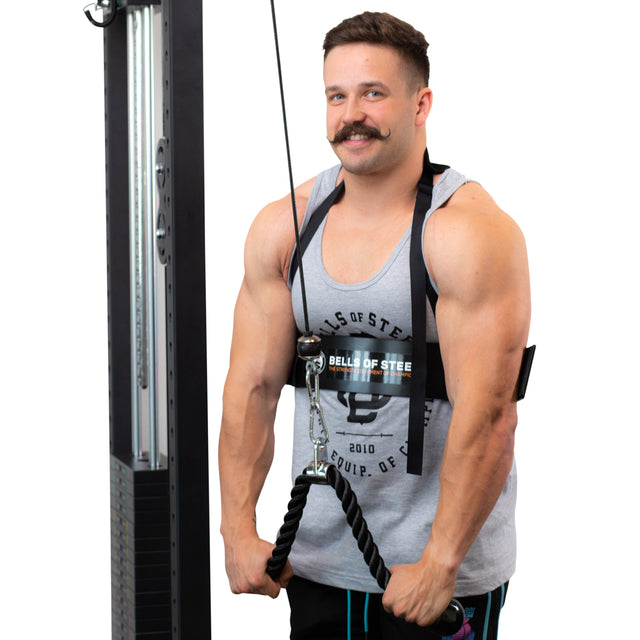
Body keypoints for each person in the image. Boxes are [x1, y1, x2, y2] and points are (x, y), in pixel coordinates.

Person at [219, 11, 531, 640]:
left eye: (372, 93)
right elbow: (252, 387)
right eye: (337, 95)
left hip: (436, 575)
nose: (350, 114)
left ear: (421, 104)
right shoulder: (285, 227)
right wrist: (236, 527)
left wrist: (441, 562)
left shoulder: (466, 232)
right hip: (317, 562)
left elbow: (490, 412)